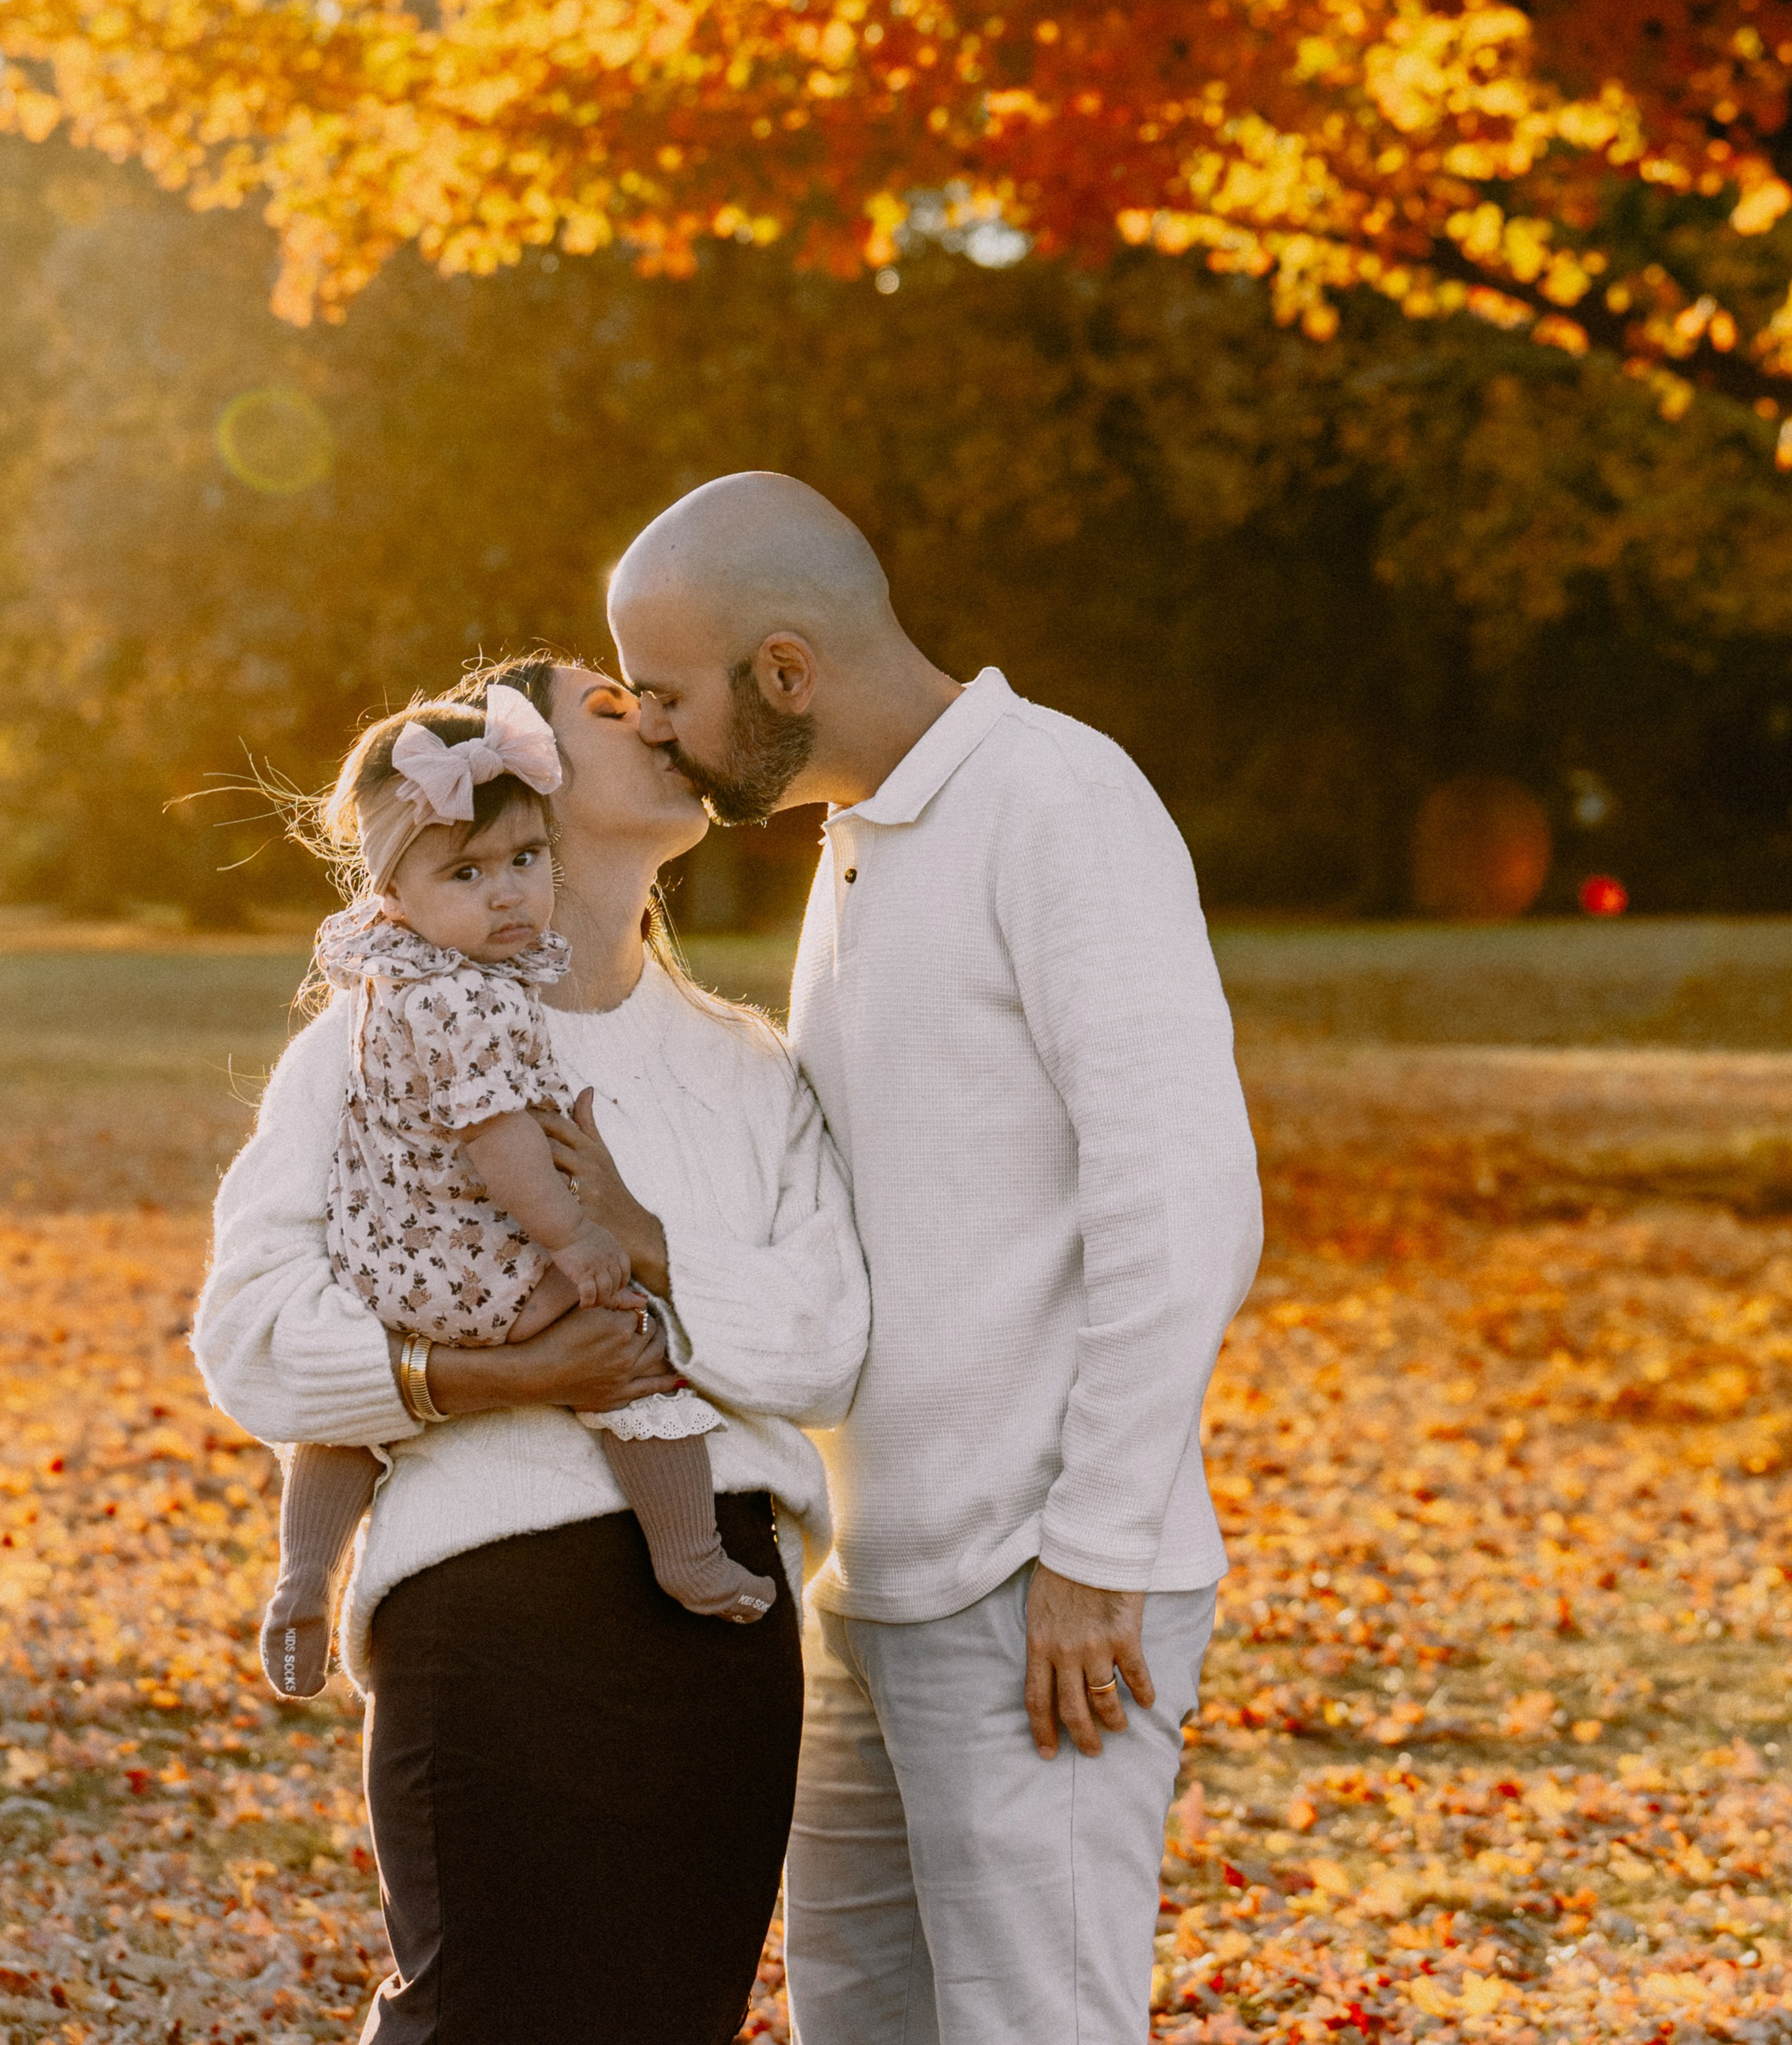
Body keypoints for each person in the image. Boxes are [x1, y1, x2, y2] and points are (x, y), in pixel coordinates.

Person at [607, 473, 1264, 2045]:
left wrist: (1097, 1553)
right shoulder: (862, 843)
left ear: (783, 671)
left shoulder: (1054, 802)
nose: (649, 732)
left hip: (1040, 1585)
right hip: (875, 1574)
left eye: (666, 694)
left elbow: (1185, 1200)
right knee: (861, 2017)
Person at [194, 655, 869, 2045]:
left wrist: (647, 1243)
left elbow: (827, 1343)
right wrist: (496, 1379)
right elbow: (254, 1335)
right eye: (613, 708)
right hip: (488, 1610)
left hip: (722, 1609)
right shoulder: (379, 1042)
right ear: (520, 778)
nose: (665, 722)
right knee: (479, 2017)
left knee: (670, 2015)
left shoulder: (749, 1065)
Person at [260, 679, 774, 1703]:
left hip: (389, 1269)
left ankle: (307, 1566)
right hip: (482, 1270)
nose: (505, 894)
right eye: (468, 873)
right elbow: (503, 1146)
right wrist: (583, 1241)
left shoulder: (389, 984)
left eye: (525, 863)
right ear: (394, 897)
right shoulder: (475, 1004)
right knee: (632, 1354)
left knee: (349, 1422)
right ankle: (686, 1548)